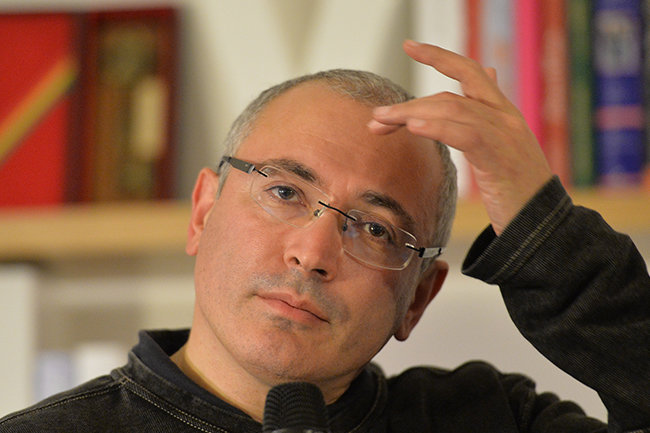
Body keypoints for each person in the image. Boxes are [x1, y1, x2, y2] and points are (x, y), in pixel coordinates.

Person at [1, 40, 648, 433]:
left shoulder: (490, 419)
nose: (312, 254)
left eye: (376, 228)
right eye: (285, 192)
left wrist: (546, 233)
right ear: (202, 212)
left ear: (418, 298)